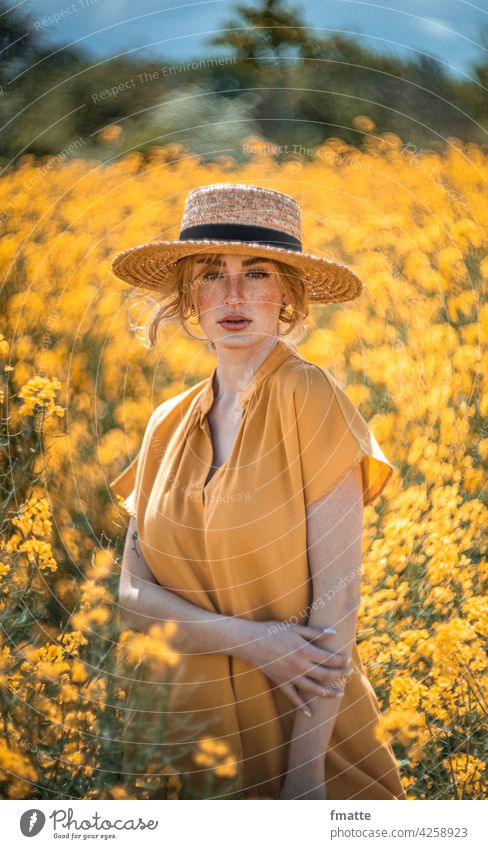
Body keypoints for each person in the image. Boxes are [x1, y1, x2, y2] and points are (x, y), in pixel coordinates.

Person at [109, 183, 407, 800]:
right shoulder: (166, 421)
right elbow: (132, 597)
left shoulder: (311, 399)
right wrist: (253, 641)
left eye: (257, 271)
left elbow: (334, 616)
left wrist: (303, 781)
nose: (234, 294)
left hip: (303, 742)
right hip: (180, 740)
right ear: (188, 293)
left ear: (288, 295)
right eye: (212, 273)